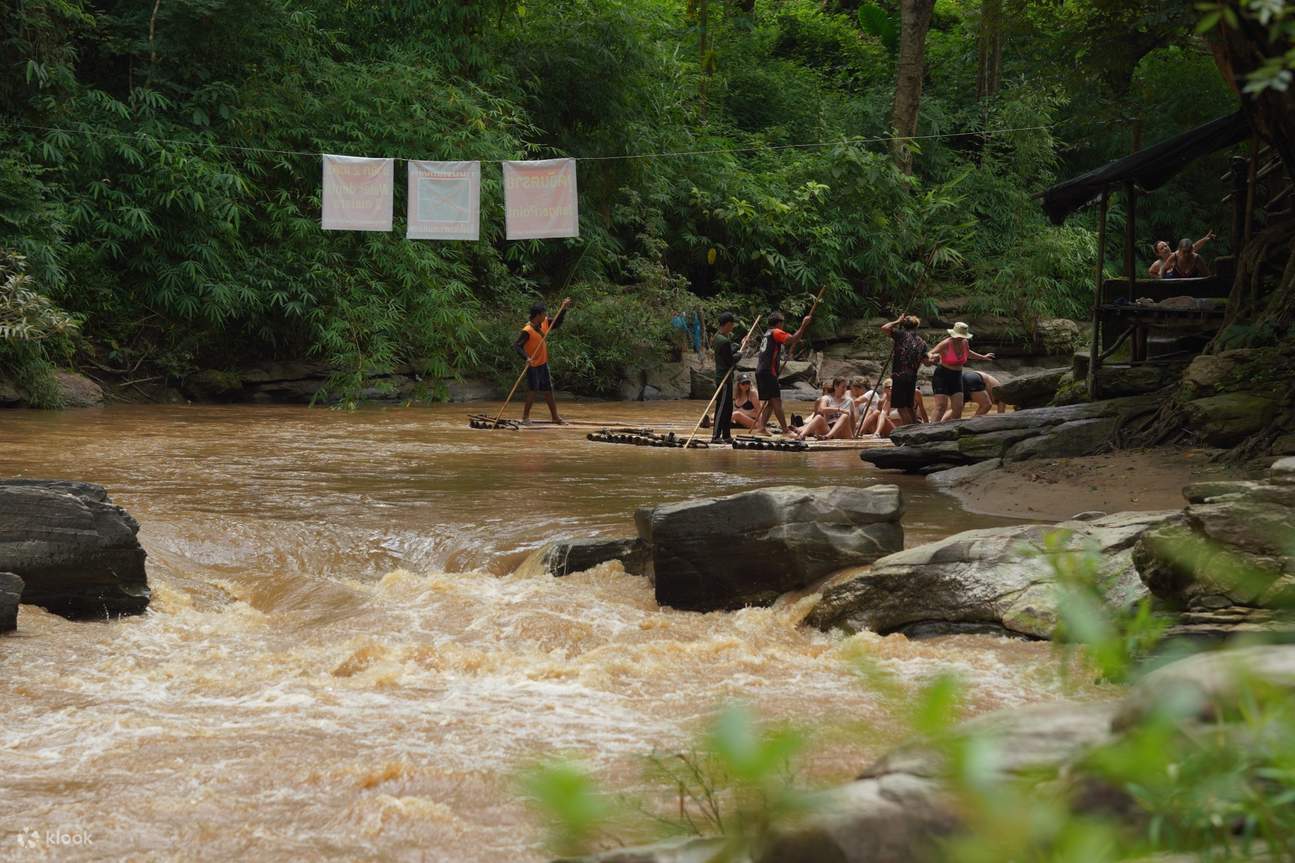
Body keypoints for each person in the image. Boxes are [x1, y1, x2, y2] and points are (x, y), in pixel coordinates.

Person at [753, 309, 814, 435]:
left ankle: (762, 427)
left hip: (761, 371)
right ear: (779, 323)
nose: (783, 326)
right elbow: (791, 339)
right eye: (783, 323)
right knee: (776, 401)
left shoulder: (767, 333)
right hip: (768, 371)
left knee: (770, 402)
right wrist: (803, 325)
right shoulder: (776, 332)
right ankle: (785, 430)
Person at [515, 298, 572, 425]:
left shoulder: (545, 322)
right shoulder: (527, 330)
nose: (546, 315)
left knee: (548, 390)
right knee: (533, 390)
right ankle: (525, 417)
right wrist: (526, 358)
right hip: (532, 364)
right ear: (538, 315)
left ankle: (555, 417)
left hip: (543, 363)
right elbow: (517, 346)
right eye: (543, 313)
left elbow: (556, 323)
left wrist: (563, 309)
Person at [927, 321, 995, 422]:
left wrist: (983, 357)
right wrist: (932, 358)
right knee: (941, 406)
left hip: (957, 376)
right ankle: (930, 431)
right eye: (959, 335)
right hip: (942, 376)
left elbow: (968, 353)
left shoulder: (964, 342)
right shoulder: (946, 343)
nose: (960, 338)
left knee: (958, 408)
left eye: (962, 336)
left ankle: (953, 431)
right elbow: (930, 353)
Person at [878, 314, 928, 428]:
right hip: (912, 377)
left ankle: (910, 432)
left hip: (899, 376)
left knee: (901, 408)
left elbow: (884, 328)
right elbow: (926, 361)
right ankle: (916, 430)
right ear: (916, 326)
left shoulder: (901, 335)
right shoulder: (922, 342)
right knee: (909, 407)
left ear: (904, 325)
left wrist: (897, 321)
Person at [710, 312, 740, 443]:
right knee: (722, 408)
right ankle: (716, 436)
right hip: (724, 379)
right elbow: (730, 361)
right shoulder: (724, 340)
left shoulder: (717, 337)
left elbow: (726, 354)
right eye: (732, 325)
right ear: (727, 324)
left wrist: (736, 348)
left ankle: (726, 435)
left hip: (724, 377)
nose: (732, 327)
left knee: (728, 408)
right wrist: (740, 355)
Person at [1149, 231, 1214, 278]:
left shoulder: (1178, 254)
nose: (1165, 248)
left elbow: (1195, 246)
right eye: (1162, 248)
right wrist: (1159, 278)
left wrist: (1205, 239)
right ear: (1158, 253)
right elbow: (1150, 272)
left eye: (1166, 246)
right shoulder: (1157, 264)